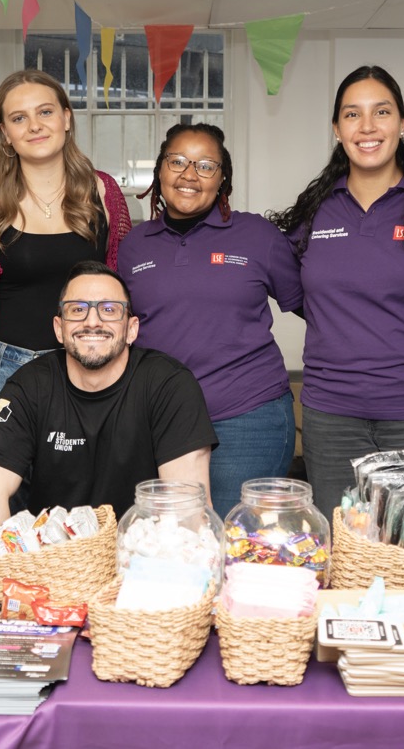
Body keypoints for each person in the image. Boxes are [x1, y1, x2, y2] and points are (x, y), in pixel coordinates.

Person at [270, 66, 404, 511]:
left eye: (382, 112)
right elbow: (303, 297)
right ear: (337, 129)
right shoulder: (316, 208)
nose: (368, 126)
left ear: (403, 122)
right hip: (330, 412)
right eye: (352, 115)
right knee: (344, 540)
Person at [0, 70, 132, 502]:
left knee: (75, 511)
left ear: (66, 118)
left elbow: (120, 289)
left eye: (45, 112)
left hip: (81, 370)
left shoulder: (103, 192)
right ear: (5, 135)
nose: (35, 126)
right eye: (19, 118)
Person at [118, 123, 302, 517]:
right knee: (171, 540)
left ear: (223, 180)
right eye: (178, 161)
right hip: (160, 419)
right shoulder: (133, 246)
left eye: (205, 165)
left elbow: (316, 306)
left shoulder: (258, 236)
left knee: (231, 541)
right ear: (160, 172)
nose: (189, 174)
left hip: (248, 416)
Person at [0, 261, 216, 545]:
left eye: (109, 310)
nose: (92, 321)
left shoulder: (170, 385)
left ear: (132, 329)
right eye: (77, 309)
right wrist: (1, 569)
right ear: (59, 329)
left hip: (145, 562)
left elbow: (188, 512)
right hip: (55, 564)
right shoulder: (29, 385)